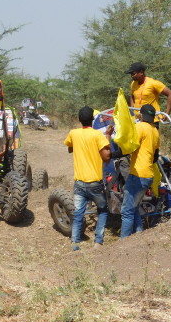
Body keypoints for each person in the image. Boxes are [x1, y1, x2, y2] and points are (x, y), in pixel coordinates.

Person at [64, 106, 111, 250]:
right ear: (93, 119)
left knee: (78, 213)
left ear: (79, 119)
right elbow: (107, 157)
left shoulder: (73, 133)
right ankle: (98, 242)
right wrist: (108, 136)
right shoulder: (97, 135)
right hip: (95, 183)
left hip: (79, 183)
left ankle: (75, 243)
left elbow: (70, 148)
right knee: (102, 210)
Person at [119, 104, 160, 239]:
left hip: (138, 174)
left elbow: (129, 147)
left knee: (127, 211)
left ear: (141, 115)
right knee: (134, 207)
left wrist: (114, 154)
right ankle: (138, 236)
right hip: (148, 175)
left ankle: (124, 241)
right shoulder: (155, 131)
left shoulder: (139, 127)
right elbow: (155, 157)